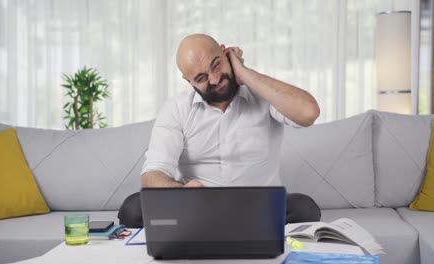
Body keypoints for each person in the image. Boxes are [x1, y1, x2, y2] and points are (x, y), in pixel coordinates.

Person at [118, 34, 321, 227]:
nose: (215, 79)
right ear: (189, 81)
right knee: (132, 208)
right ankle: (214, 227)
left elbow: (308, 112)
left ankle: (234, 228)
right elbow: (152, 175)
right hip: (196, 209)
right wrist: (181, 193)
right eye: (201, 77)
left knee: (304, 208)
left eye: (217, 64)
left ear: (226, 53)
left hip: (258, 206)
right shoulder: (177, 108)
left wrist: (245, 74)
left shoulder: (263, 94)